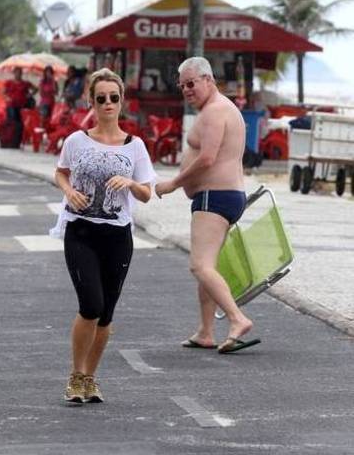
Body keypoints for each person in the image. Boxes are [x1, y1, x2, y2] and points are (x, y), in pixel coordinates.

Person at [51, 68, 156, 404]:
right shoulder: (76, 140)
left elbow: (146, 194)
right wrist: (68, 191)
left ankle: (90, 379)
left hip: (117, 236)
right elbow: (60, 172)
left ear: (122, 101)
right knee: (91, 305)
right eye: (101, 98)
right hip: (81, 232)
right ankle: (75, 375)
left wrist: (131, 183)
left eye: (114, 97)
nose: (108, 103)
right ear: (91, 101)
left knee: (107, 312)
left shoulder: (135, 146)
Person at [155, 57, 259, 354]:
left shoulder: (214, 112)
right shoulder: (224, 109)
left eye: (192, 84)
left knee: (199, 265)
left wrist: (174, 183)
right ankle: (206, 331)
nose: (187, 90)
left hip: (216, 195)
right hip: (224, 195)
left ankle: (238, 319)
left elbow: (207, 158)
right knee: (208, 265)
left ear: (208, 79)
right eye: (183, 86)